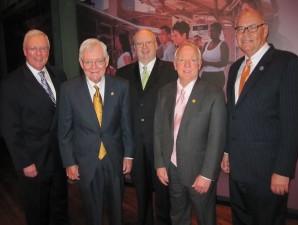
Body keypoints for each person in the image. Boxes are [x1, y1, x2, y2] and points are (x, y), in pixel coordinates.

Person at [221, 10, 298, 225]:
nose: (245, 33)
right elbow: (233, 115)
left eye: (252, 27)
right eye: (240, 29)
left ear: (265, 30)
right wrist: (227, 150)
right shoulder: (236, 67)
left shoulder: (288, 63)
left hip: (267, 173)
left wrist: (283, 170)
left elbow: (292, 124)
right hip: (238, 170)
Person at [58, 38, 134, 225]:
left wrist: (129, 155)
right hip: (85, 160)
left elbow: (126, 124)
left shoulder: (121, 86)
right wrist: (69, 162)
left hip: (114, 158)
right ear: (81, 62)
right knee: (92, 212)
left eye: (99, 60)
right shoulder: (68, 89)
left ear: (107, 61)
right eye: (88, 61)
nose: (94, 66)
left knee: (117, 209)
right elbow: (65, 130)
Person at [0, 29, 68, 225]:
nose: (39, 53)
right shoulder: (11, 83)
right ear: (24, 51)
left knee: (60, 208)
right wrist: (24, 163)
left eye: (43, 48)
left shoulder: (58, 74)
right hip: (34, 162)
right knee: (38, 212)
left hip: (59, 159)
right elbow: (10, 129)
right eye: (33, 49)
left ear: (49, 50)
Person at [154, 43, 226, 225]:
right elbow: (158, 130)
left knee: (205, 218)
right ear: (175, 64)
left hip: (199, 173)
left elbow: (216, 139)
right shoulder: (164, 93)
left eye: (192, 60)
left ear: (200, 63)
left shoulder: (214, 95)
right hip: (172, 170)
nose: (187, 65)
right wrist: (160, 163)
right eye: (182, 60)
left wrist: (207, 174)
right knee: (177, 217)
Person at [115, 29, 177, 225]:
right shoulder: (122, 74)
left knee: (163, 197)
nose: (144, 47)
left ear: (156, 44)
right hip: (135, 147)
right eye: (139, 44)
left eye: (148, 43)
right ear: (133, 47)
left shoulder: (171, 70)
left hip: (162, 148)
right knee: (141, 196)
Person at [201, 22, 229, 90]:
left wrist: (207, 63)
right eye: (210, 31)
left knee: (215, 97)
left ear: (219, 32)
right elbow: (201, 59)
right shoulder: (206, 44)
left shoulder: (223, 45)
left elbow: (224, 62)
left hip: (217, 76)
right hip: (205, 75)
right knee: (205, 98)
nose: (211, 32)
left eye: (213, 31)